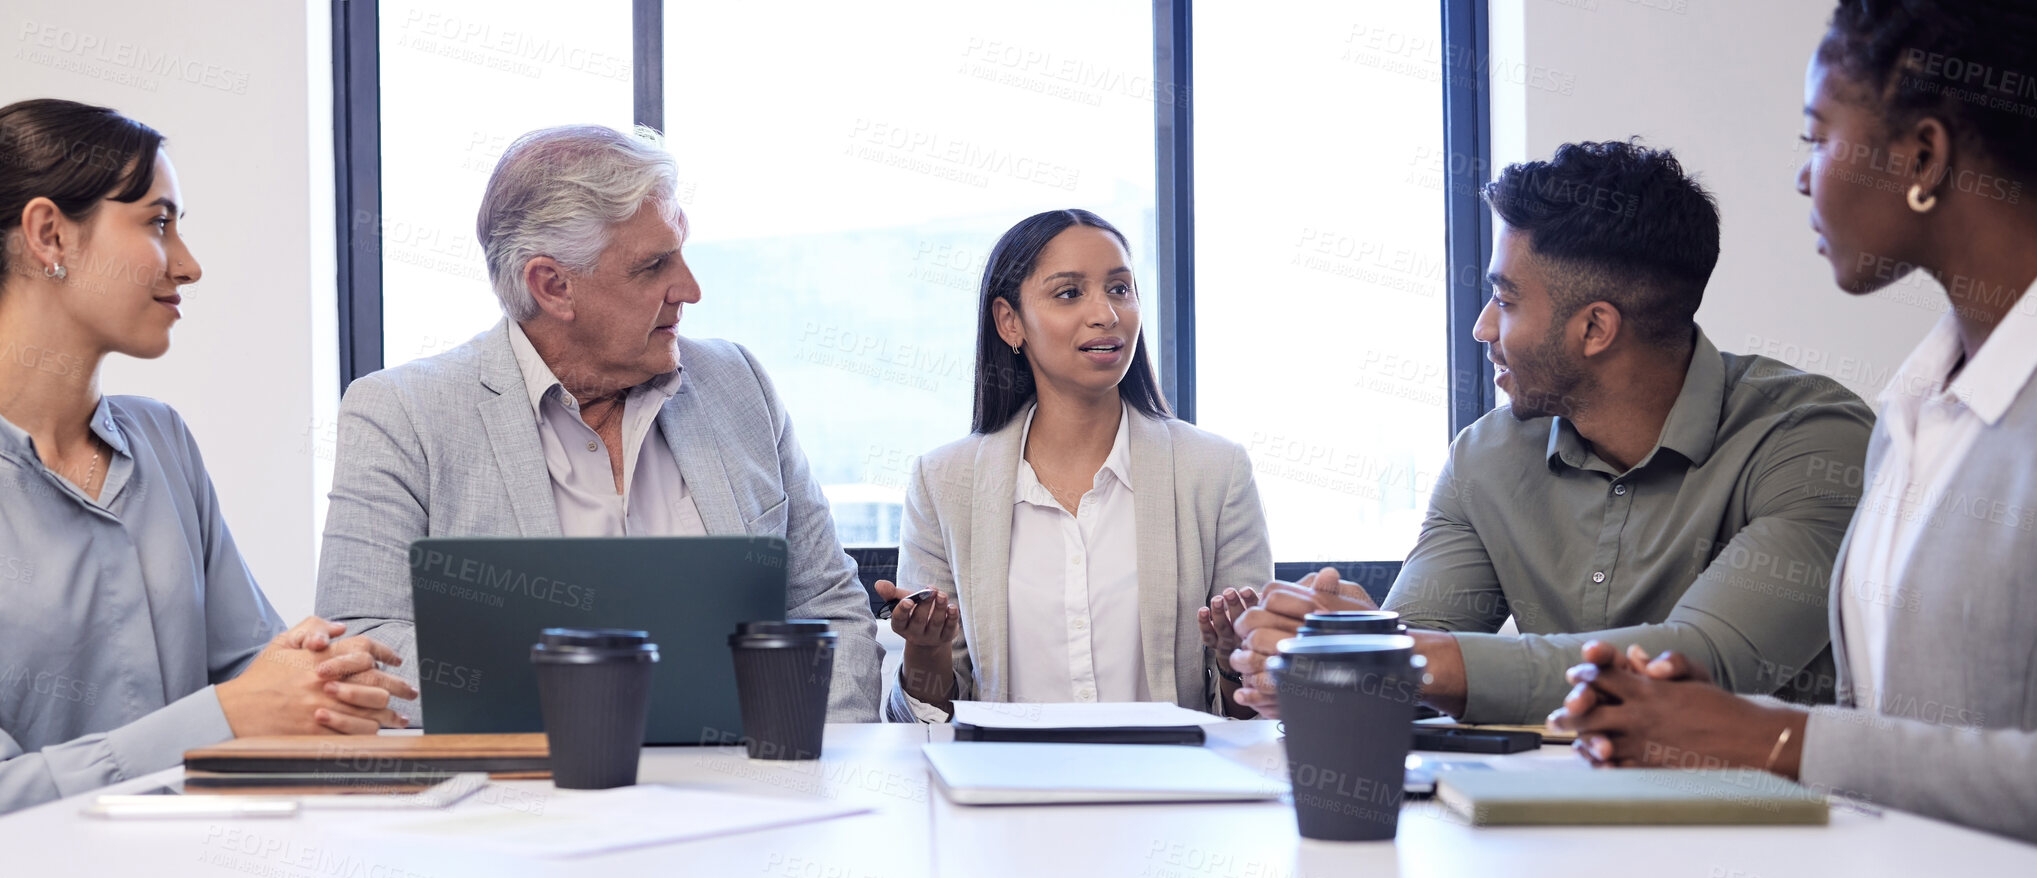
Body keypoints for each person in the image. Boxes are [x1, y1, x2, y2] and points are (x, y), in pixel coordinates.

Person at [1552, 0, 2037, 846]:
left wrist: (1766, 737)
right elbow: (1898, 733)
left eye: (1817, 137)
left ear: (1923, 154)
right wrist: (1702, 718)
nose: (1801, 176)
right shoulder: (1914, 406)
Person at [1231, 141, 1876, 724]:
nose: (1484, 328)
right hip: (1541, 827)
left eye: (1506, 301)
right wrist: (1326, 650)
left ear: (1595, 329)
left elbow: (1703, 663)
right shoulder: (1486, 459)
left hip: (1771, 836)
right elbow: (1420, 652)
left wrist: (1378, 657)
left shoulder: (1813, 442)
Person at [315, 124, 883, 723]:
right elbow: (360, 643)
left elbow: (827, 607)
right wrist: (586, 713)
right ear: (553, 286)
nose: (689, 288)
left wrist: (819, 771)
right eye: (653, 265)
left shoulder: (738, 383)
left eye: (681, 250)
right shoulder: (401, 414)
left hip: (754, 792)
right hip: (521, 800)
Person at [0, 99, 413, 815]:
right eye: (159, 223)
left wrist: (317, 673)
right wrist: (228, 714)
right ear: (49, 235)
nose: (188, 265)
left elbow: (254, 672)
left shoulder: (164, 443)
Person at [874, 209, 1272, 721]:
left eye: (1120, 289)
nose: (1106, 313)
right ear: (1009, 321)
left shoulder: (1216, 472)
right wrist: (925, 650)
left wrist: (1234, 661)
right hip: (1003, 791)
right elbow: (921, 722)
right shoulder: (944, 481)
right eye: (1069, 293)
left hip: (1169, 790)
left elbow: (1258, 713)